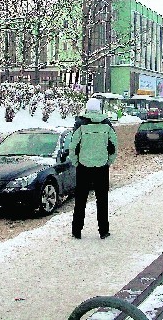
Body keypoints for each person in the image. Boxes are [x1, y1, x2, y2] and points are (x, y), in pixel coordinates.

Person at [69, 98, 118, 240]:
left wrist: (76, 162)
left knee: (80, 200)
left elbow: (73, 146)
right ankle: (103, 231)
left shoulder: (80, 123)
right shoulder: (107, 124)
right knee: (102, 200)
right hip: (102, 167)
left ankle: (76, 231)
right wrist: (108, 161)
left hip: (83, 167)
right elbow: (114, 146)